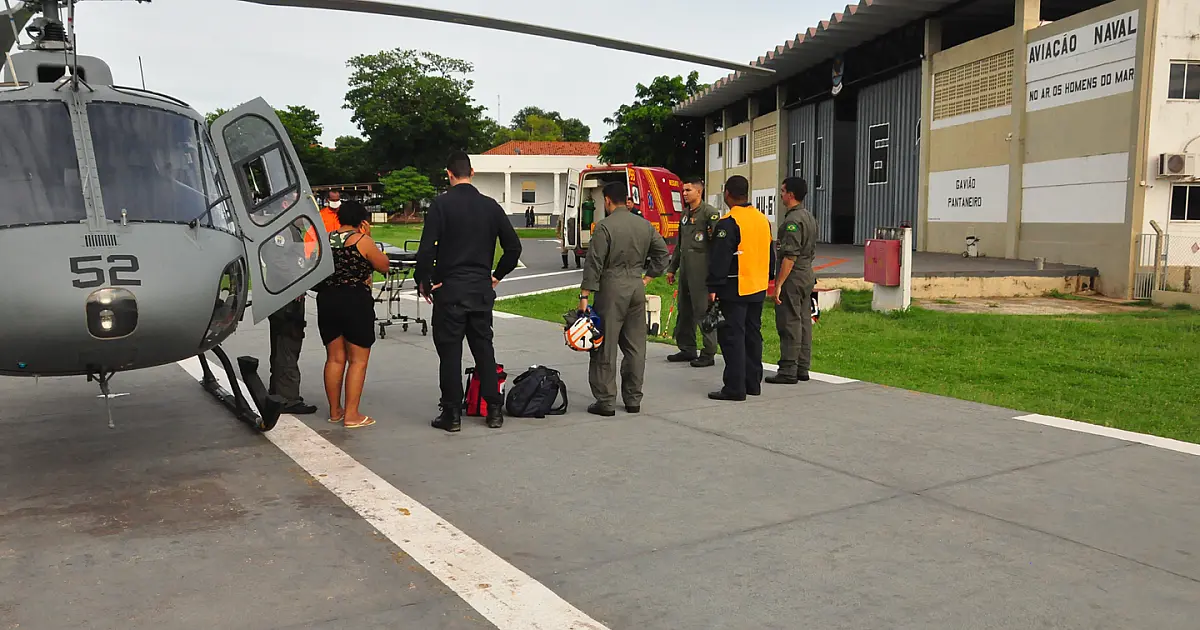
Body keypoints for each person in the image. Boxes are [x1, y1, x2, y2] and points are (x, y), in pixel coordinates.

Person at [416, 151, 522, 432]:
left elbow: (426, 249)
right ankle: (494, 409)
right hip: (480, 289)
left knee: (449, 353)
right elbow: (513, 248)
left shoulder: (440, 205)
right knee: (483, 348)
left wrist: (424, 280)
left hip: (450, 289)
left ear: (448, 173)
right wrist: (496, 275)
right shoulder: (490, 206)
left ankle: (451, 414)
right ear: (471, 172)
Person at [578, 182, 671, 416]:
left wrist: (585, 295)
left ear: (607, 200)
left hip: (611, 287)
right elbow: (662, 254)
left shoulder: (604, 227)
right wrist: (648, 278)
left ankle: (606, 401)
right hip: (636, 286)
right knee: (635, 346)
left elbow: (594, 262)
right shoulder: (644, 225)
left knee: (605, 346)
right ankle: (633, 399)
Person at [314, 199, 390, 428]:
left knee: (335, 358)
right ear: (362, 220)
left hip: (327, 300)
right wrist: (370, 238)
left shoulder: (326, 239)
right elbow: (383, 265)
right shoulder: (361, 240)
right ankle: (352, 414)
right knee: (358, 361)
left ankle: (335, 411)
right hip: (354, 300)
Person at [706, 175, 774, 402]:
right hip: (758, 285)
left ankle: (734, 387)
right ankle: (752, 383)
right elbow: (770, 252)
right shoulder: (762, 220)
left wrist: (713, 286)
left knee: (732, 336)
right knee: (753, 334)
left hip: (735, 287)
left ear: (727, 193)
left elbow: (720, 258)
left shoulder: (729, 222)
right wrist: (769, 278)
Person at [665, 176, 722, 368]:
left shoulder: (710, 214)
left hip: (702, 273)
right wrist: (672, 269)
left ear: (699, 191)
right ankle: (687, 347)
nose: (684, 194)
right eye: (683, 191)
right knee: (685, 310)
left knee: (703, 311)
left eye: (688, 190)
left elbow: (717, 246)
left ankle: (708, 351)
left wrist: (715, 276)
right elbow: (680, 246)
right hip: (686, 272)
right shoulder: (684, 214)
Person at [768, 177, 818, 385]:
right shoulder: (808, 217)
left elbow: (789, 256)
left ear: (791, 194)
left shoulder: (791, 222)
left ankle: (789, 368)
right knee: (804, 321)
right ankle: (802, 367)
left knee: (789, 320)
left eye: (782, 191)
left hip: (793, 276)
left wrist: (778, 284)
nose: (780, 194)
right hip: (807, 275)